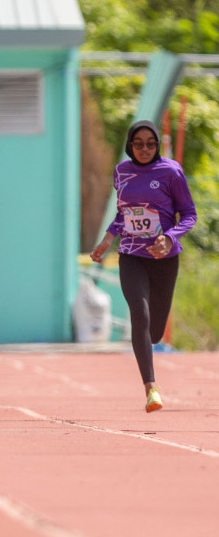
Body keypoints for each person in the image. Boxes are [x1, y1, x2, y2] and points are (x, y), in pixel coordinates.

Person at [90, 120, 196, 413]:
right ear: (130, 145)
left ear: (157, 146)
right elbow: (123, 213)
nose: (145, 148)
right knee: (140, 312)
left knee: (154, 332)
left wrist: (169, 237)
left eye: (150, 143)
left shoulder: (170, 171)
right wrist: (108, 239)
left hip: (164, 258)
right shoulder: (122, 171)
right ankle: (151, 388)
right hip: (131, 255)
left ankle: (147, 345)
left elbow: (188, 214)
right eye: (139, 143)